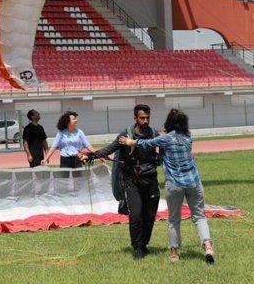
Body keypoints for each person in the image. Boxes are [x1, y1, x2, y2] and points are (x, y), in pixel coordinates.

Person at [122, 109, 215, 265]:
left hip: (175, 184)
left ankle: (173, 253)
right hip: (194, 182)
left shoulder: (166, 139)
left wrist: (131, 142)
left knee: (173, 220)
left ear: (169, 123)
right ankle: (208, 246)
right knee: (199, 217)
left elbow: (147, 144)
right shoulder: (188, 137)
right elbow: (174, 139)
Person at [83, 104, 161, 260]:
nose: (145, 121)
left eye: (147, 118)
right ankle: (137, 247)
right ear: (135, 118)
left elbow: (166, 148)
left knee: (149, 215)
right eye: (142, 118)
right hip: (133, 181)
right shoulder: (127, 134)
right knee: (136, 216)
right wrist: (92, 155)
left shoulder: (153, 133)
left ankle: (144, 244)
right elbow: (110, 148)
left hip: (151, 181)